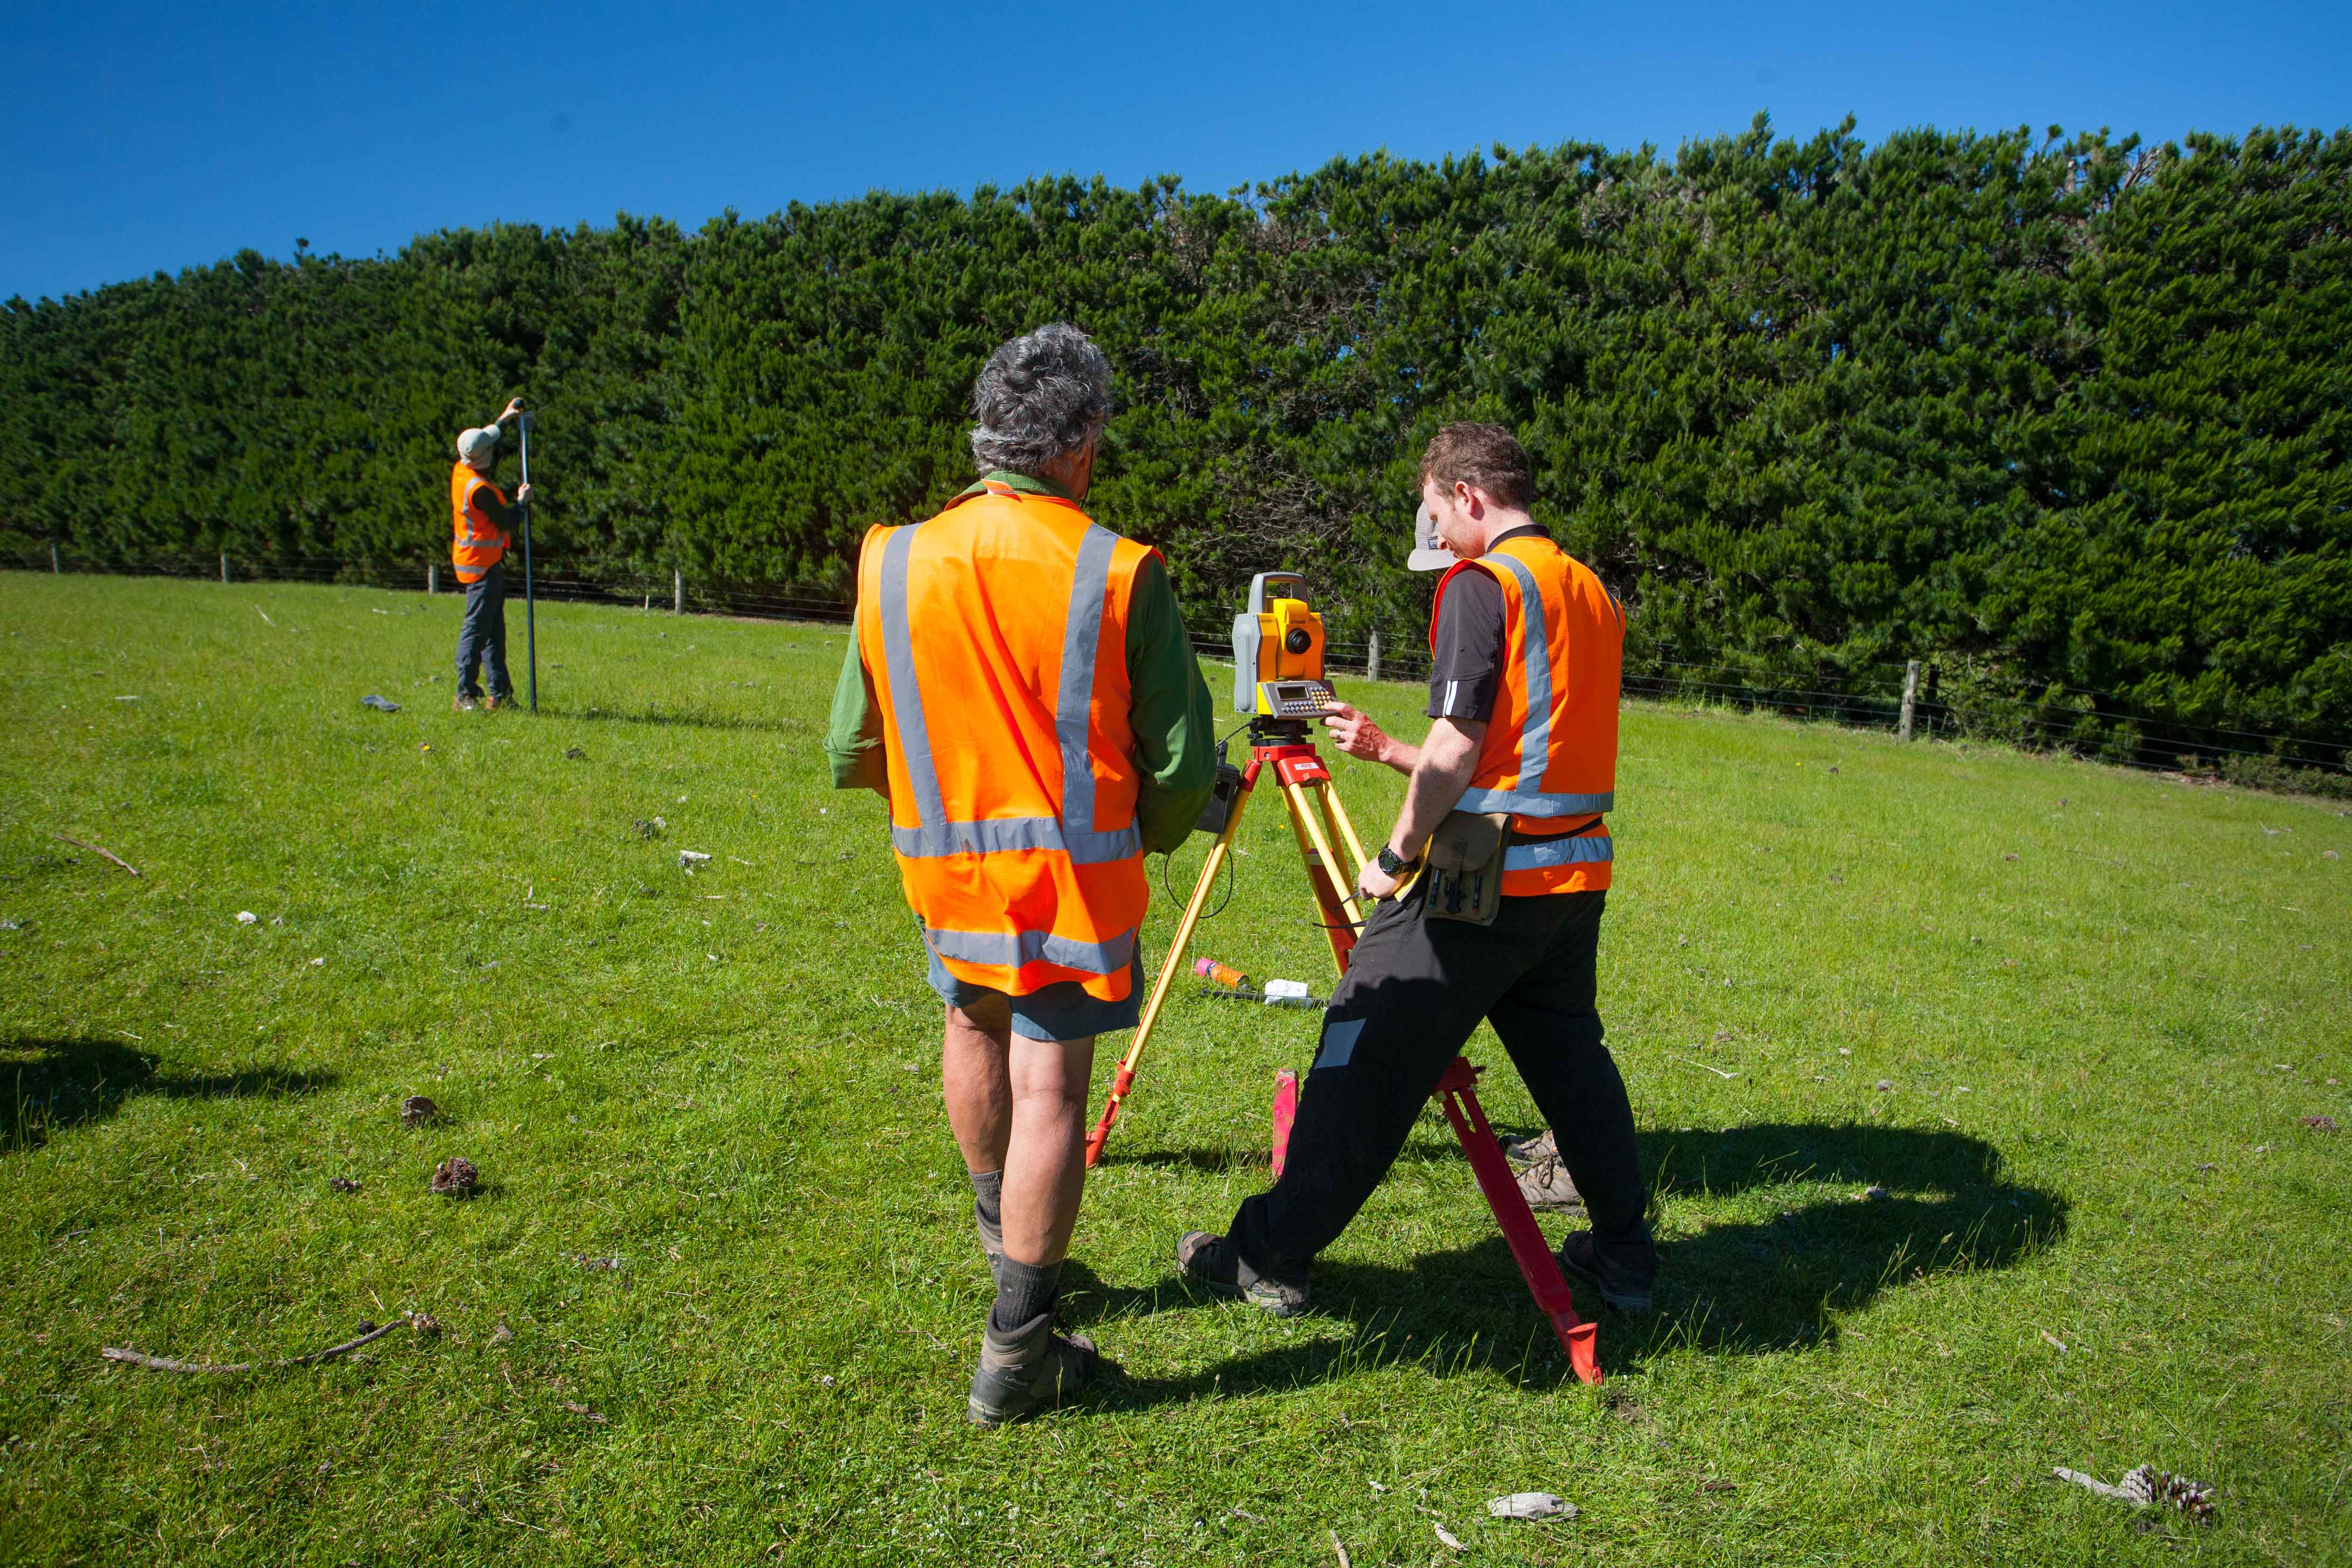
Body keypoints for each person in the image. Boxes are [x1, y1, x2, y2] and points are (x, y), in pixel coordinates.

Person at [1177, 422, 1658, 1320]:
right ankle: (1627, 1254)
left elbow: (1459, 744)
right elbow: (1526, 747)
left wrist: (1395, 851)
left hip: (1482, 871)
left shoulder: (1483, 586)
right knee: (1573, 1071)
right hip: (1572, 872)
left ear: (1467, 497)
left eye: (1435, 513)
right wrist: (1399, 754)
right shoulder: (1589, 589)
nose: (1435, 534)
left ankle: (1264, 1253)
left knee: (1360, 1050)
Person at [827, 324, 1215, 1424]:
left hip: (946, 881)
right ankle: (1018, 1345)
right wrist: (1164, 821)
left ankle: (1006, 1240)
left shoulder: (893, 556)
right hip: (1073, 891)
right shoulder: (1119, 568)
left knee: (969, 1031)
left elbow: (851, 742)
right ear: (1083, 442)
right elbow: (1182, 768)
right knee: (1052, 1086)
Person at [449, 397, 532, 712]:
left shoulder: (462, 467)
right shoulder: (479, 490)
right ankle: (465, 694)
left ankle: (500, 696)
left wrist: (505, 418)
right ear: (483, 458)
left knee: (494, 634)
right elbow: (507, 520)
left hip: (485, 566)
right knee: (476, 632)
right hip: (481, 568)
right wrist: (522, 502)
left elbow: (487, 436)